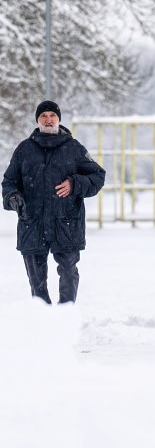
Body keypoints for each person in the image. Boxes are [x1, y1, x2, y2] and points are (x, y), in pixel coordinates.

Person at [2, 100, 106, 304]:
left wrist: (74, 183)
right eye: (43, 116)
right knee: (36, 280)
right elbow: (9, 182)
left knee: (68, 272)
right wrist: (13, 197)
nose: (48, 120)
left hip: (66, 223)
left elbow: (97, 176)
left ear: (59, 119)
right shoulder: (24, 149)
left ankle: (67, 313)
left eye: (52, 116)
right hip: (32, 222)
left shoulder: (74, 148)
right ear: (37, 120)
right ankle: (42, 315)